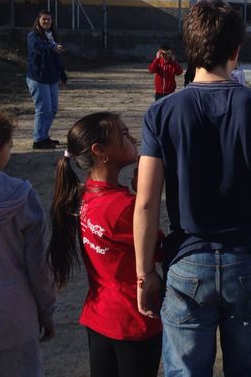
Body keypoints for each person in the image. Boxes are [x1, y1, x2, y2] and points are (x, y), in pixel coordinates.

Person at [133, 0, 251, 377]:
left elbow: (145, 203)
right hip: (248, 256)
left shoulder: (160, 113)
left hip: (187, 259)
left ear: (188, 50)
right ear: (236, 50)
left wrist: (144, 275)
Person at [48, 112, 163, 377]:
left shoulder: (83, 196)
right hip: (132, 319)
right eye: (123, 134)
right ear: (100, 151)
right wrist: (146, 197)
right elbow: (161, 248)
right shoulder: (124, 209)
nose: (133, 138)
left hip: (99, 314)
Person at [0, 112, 56, 376]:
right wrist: (47, 312)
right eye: (9, 146)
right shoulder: (21, 195)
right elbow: (38, 265)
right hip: (14, 315)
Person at [27, 10, 67, 149]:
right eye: (44, 19)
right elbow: (39, 47)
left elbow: (57, 58)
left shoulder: (52, 37)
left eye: (49, 19)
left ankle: (44, 136)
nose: (46, 22)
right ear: (38, 20)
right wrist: (52, 47)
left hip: (52, 78)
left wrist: (62, 74)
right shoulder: (33, 36)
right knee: (43, 109)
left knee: (53, 109)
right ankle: (38, 140)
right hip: (38, 78)